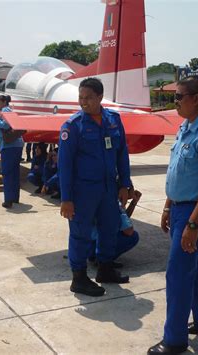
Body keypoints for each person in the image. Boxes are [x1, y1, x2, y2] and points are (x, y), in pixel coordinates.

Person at [148, 76, 198, 355]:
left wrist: (193, 223)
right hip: (182, 207)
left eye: (178, 97)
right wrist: (169, 205)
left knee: (179, 273)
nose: (175, 102)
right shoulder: (186, 127)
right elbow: (178, 171)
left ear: (196, 98)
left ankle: (174, 340)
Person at [59, 77, 131, 297]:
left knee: (109, 228)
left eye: (88, 98)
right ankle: (79, 278)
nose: (83, 102)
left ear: (100, 97)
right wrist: (66, 198)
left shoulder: (113, 120)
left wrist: (124, 184)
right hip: (83, 192)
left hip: (109, 189)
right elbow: (64, 165)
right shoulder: (73, 126)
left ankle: (105, 269)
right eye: (81, 98)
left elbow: (122, 155)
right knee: (80, 233)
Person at [89, 190, 142, 267]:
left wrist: (133, 203)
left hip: (86, 246)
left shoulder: (101, 196)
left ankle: (98, 258)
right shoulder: (116, 204)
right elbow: (128, 231)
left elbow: (120, 222)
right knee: (133, 236)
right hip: (97, 246)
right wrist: (122, 205)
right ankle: (104, 261)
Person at [0, 94, 24, 209]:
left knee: (7, 173)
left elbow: (6, 126)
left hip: (9, 146)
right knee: (14, 173)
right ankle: (14, 197)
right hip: (16, 145)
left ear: (4, 102)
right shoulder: (10, 110)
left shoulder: (4, 111)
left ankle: (8, 200)